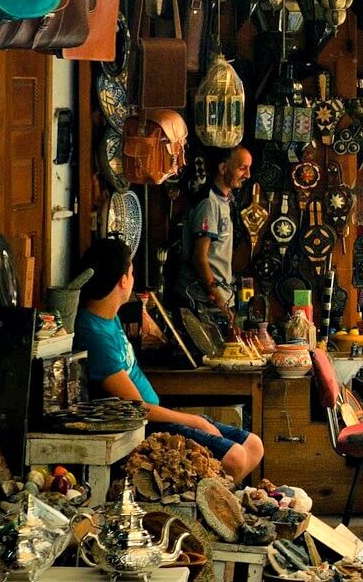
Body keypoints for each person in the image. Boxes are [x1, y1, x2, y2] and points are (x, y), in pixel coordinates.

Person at [75, 238, 266, 479]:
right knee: (236, 458)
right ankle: (207, 502)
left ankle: (213, 498)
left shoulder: (109, 316)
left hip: (158, 416)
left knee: (254, 445)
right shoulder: (95, 334)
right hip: (146, 427)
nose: (132, 280)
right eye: (131, 272)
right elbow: (137, 409)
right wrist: (194, 421)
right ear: (123, 280)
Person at [177, 146, 252, 322]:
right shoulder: (209, 202)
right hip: (203, 301)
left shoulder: (226, 200)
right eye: (242, 168)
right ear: (223, 168)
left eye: (248, 169)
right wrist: (218, 299)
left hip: (220, 297)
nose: (247, 175)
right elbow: (199, 257)